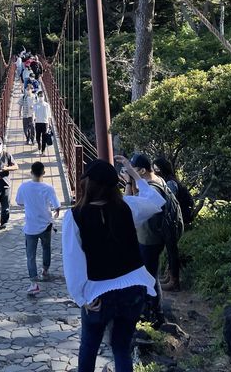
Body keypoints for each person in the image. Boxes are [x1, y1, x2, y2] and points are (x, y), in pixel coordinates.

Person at [63, 158, 165, 372]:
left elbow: (73, 261)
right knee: (121, 347)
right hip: (133, 289)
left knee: (89, 347)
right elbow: (156, 201)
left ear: (87, 184)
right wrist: (135, 176)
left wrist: (80, 297)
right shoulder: (128, 207)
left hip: (99, 292)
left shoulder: (75, 216)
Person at [126, 154, 168, 324]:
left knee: (150, 276)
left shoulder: (153, 188)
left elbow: (129, 205)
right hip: (153, 235)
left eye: (133, 170)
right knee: (150, 274)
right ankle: (152, 311)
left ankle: (156, 314)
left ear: (142, 170)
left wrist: (129, 182)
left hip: (149, 238)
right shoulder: (158, 181)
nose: (131, 173)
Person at [15, 161, 60, 295]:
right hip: (46, 224)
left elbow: (19, 202)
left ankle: (34, 283)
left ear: (31, 172)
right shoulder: (48, 188)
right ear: (44, 173)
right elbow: (57, 205)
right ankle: (45, 270)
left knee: (31, 256)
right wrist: (56, 211)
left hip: (30, 226)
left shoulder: (23, 187)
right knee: (46, 248)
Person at [153, 157, 193, 291]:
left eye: (157, 168)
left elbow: (168, 202)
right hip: (174, 220)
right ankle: (169, 276)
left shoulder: (170, 183)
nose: (155, 171)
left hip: (173, 221)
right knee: (170, 250)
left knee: (172, 250)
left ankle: (174, 280)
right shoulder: (171, 180)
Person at [33, 91, 52, 156]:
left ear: (44, 97)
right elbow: (33, 113)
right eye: (40, 96)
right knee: (37, 137)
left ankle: (43, 151)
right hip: (38, 122)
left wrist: (49, 124)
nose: (41, 97)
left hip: (45, 123)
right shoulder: (35, 105)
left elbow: (49, 115)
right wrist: (33, 119)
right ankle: (39, 144)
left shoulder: (47, 105)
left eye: (42, 96)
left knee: (44, 137)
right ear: (38, 97)